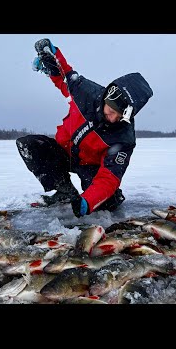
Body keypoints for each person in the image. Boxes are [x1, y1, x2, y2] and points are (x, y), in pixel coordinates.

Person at [16, 38, 153, 218]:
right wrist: (52, 56)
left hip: (90, 166)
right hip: (63, 153)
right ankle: (64, 189)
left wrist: (87, 202)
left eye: (119, 116)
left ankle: (110, 198)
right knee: (30, 145)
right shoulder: (87, 93)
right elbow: (65, 76)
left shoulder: (124, 138)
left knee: (105, 203)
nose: (112, 118)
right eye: (111, 111)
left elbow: (109, 177)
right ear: (106, 99)